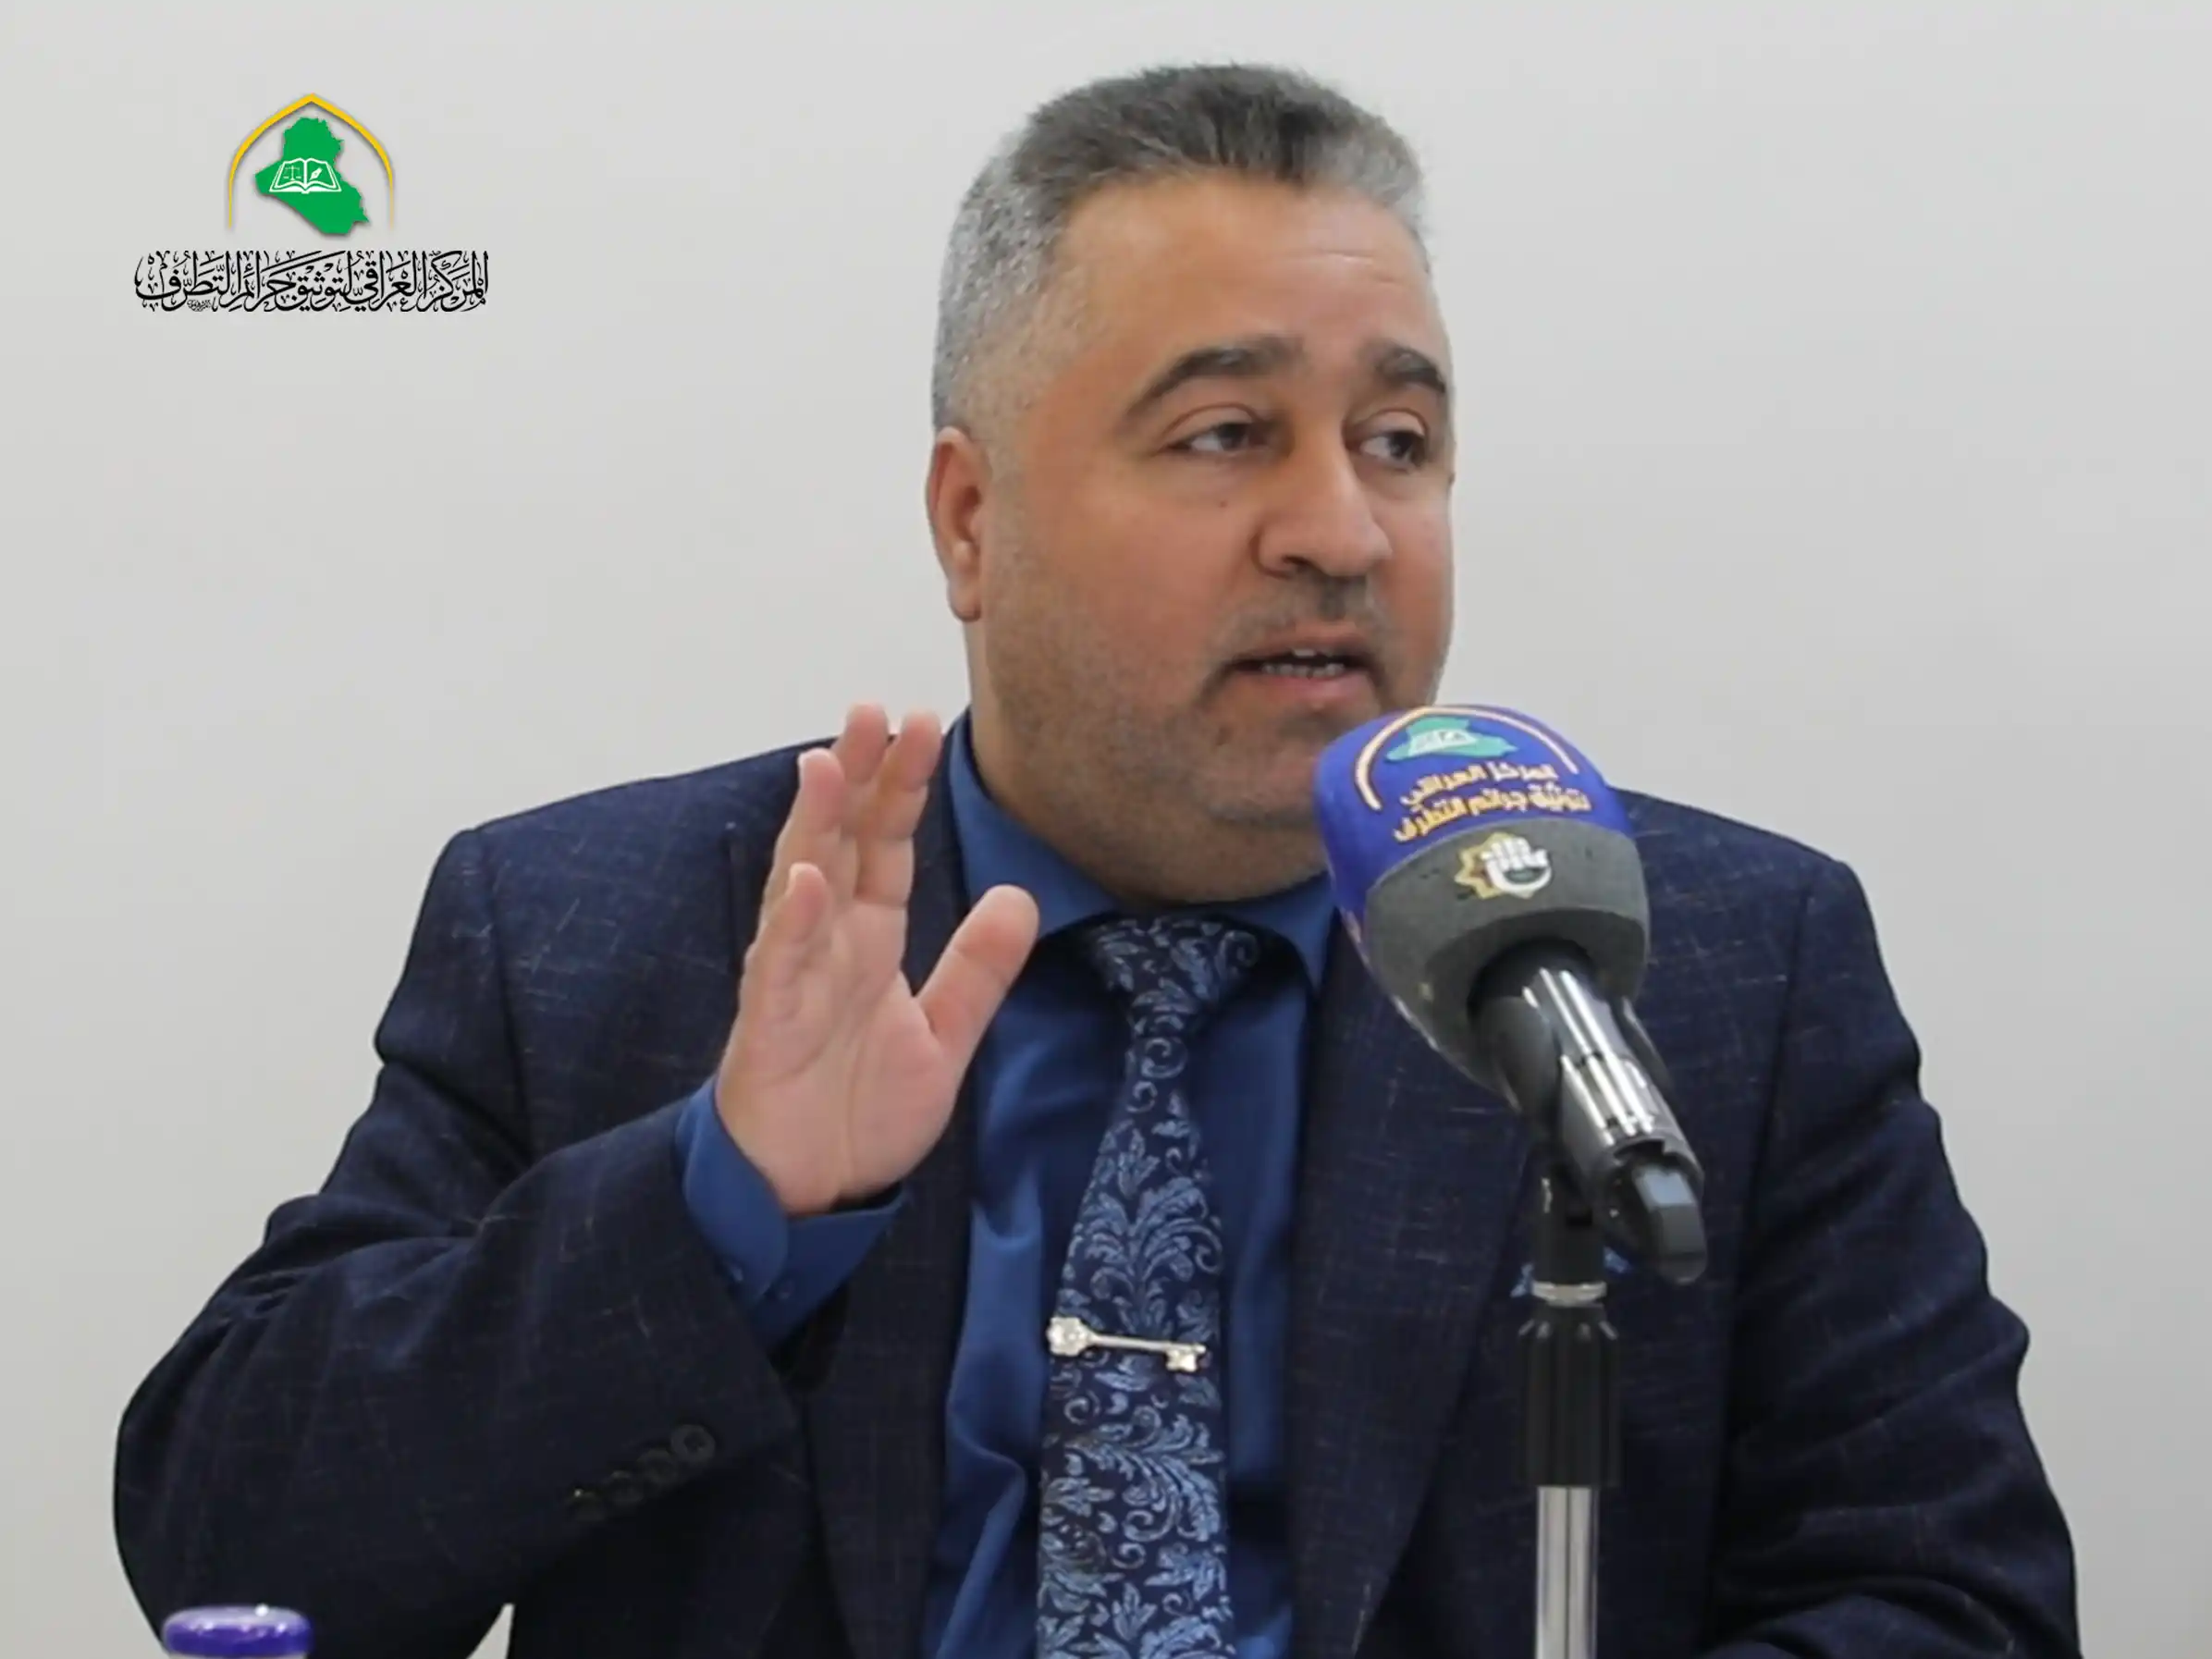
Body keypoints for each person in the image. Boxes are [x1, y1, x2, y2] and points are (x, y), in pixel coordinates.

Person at [114, 63, 2081, 1659]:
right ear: (970, 521)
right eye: (1227, 433)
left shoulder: (1693, 967)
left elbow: (1950, 1601)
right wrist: (722, 1204)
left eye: (1399, 440)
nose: (1340, 531)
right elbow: (234, 1549)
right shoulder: (609, 932)